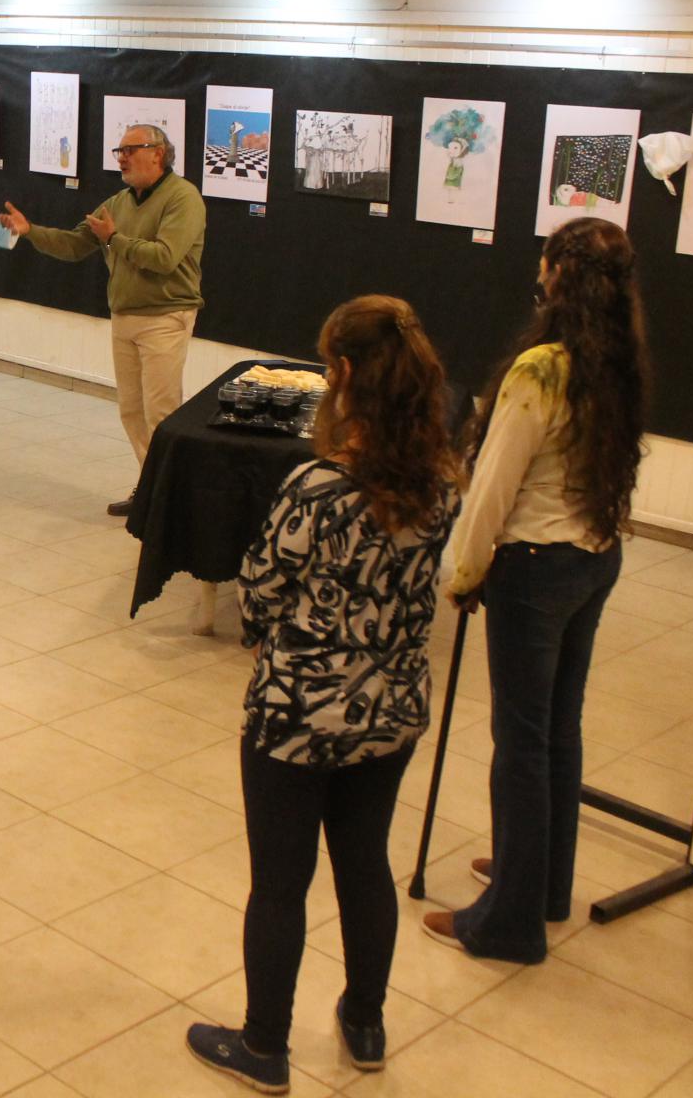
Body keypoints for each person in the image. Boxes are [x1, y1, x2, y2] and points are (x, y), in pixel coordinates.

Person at [185, 296, 459, 1093]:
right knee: (365, 863)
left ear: (339, 375)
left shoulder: (315, 486)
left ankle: (265, 1046)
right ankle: (365, 1022)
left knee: (280, 881)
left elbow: (263, 591)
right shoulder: (439, 484)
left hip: (299, 715)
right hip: (392, 710)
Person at [425, 217, 648, 964]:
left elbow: (494, 485)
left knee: (520, 742)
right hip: (593, 556)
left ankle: (510, 921)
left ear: (558, 275)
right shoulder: (617, 359)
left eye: (546, 262)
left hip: (536, 565)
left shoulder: (542, 369)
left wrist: (462, 572)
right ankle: (542, 877)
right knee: (558, 730)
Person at [0, 122, 207, 517]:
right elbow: (76, 245)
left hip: (165, 317)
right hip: (124, 318)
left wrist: (114, 239)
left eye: (130, 150)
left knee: (161, 413)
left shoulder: (184, 198)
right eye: (119, 152)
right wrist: (30, 231)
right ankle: (151, 488)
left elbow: (164, 257)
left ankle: (172, 500)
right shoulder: (118, 202)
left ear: (158, 154)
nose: (121, 158)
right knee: (131, 410)